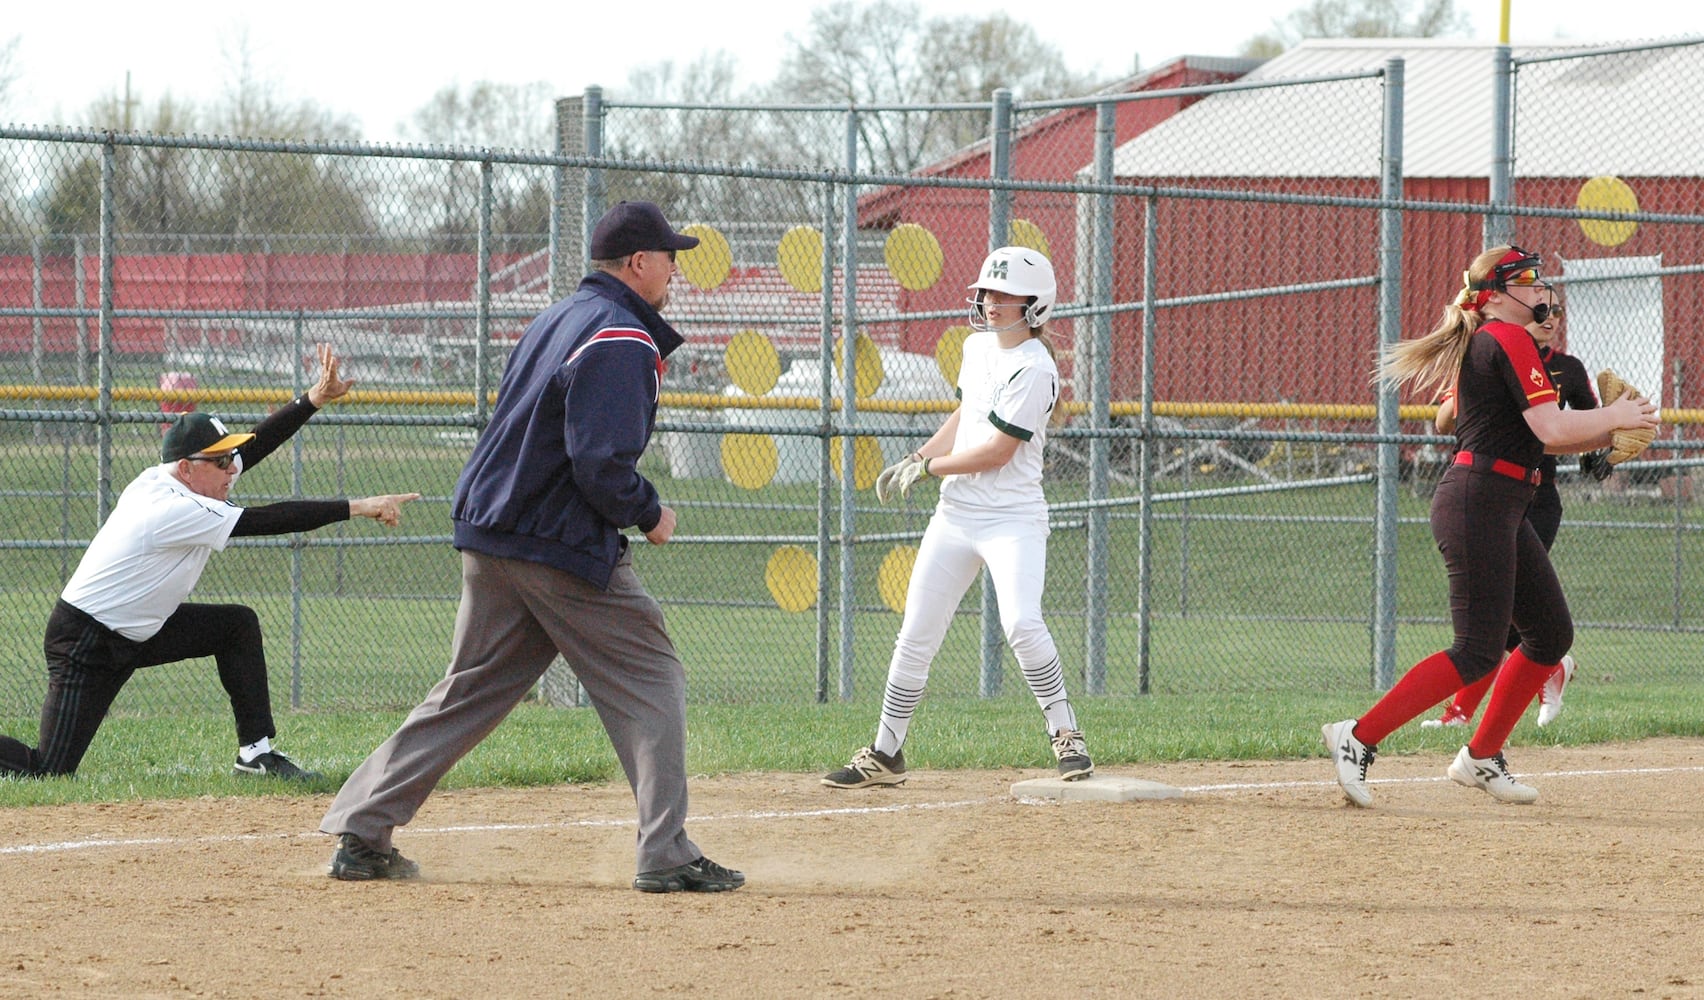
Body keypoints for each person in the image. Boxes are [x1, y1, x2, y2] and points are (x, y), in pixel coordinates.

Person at [319, 201, 744, 893]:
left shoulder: (558, 317)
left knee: (468, 691)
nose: (675, 267)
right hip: (554, 538)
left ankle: (363, 832)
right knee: (653, 680)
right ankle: (666, 853)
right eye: (670, 256)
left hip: (492, 530)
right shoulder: (620, 335)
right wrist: (650, 512)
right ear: (638, 264)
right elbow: (599, 463)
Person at [1323, 245, 1657, 807]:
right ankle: (1356, 737)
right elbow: (1551, 429)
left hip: (1503, 502)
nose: (1540, 291)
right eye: (1526, 281)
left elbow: (1541, 433)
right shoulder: (1504, 337)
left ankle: (1479, 756)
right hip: (1478, 500)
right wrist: (1615, 417)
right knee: (1477, 649)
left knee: (1549, 636)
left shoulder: (1513, 341)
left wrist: (1615, 432)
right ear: (1497, 295)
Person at [0, 343, 419, 780]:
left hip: (140, 628)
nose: (230, 468)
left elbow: (252, 449)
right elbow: (268, 519)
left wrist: (311, 400)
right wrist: (360, 505)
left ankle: (255, 755)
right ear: (186, 468)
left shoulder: (182, 479)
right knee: (47, 770)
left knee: (235, 626)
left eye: (227, 457)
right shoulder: (172, 507)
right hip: (88, 641)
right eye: (219, 461)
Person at [822, 245, 1093, 790]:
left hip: (1012, 519)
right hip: (958, 514)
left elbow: (996, 451)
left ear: (1034, 304)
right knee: (916, 631)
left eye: (1005, 294)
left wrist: (931, 469)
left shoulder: (1036, 367)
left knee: (1021, 622)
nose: (991, 302)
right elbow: (966, 415)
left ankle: (1066, 735)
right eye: (987, 292)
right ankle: (886, 753)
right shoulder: (976, 348)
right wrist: (919, 457)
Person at [1422, 304, 1598, 730]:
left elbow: (1584, 421)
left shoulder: (1567, 368)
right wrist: (1463, 390)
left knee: (1505, 620)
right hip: (1492, 492)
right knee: (1507, 618)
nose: (1550, 317)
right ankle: (1547, 670)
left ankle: (1461, 715)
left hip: (1538, 497)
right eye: (1541, 308)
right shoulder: (1492, 354)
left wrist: (1601, 447)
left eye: (1556, 310)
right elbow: (1445, 420)